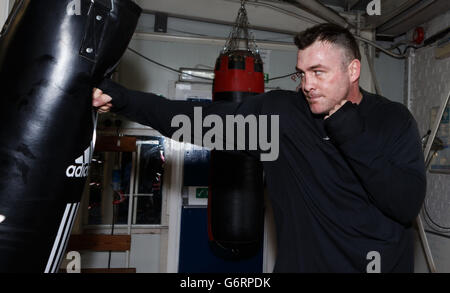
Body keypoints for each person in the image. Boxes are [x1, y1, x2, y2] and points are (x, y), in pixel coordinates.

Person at [92, 23, 426, 273]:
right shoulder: (283, 117)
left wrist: (351, 134)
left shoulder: (392, 121)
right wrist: (123, 99)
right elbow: (196, 121)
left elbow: (405, 204)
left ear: (352, 70)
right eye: (302, 73)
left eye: (318, 72)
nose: (307, 85)